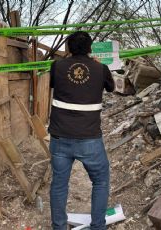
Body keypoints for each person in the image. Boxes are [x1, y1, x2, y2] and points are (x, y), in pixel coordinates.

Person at [48, 31, 115, 230]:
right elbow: (111, 87)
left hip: (60, 137)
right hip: (90, 139)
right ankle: (98, 227)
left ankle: (58, 227)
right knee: (100, 182)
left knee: (59, 185)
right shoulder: (100, 68)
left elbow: (53, 83)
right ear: (90, 48)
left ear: (68, 48)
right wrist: (95, 64)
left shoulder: (57, 66)